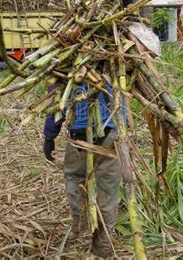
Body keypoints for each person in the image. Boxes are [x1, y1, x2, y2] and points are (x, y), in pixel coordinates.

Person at [43, 82, 128, 258]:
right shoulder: (118, 64)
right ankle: (103, 245)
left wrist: (49, 136)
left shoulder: (66, 67)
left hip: (80, 137)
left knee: (75, 178)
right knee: (108, 191)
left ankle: (81, 233)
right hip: (112, 135)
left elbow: (56, 106)